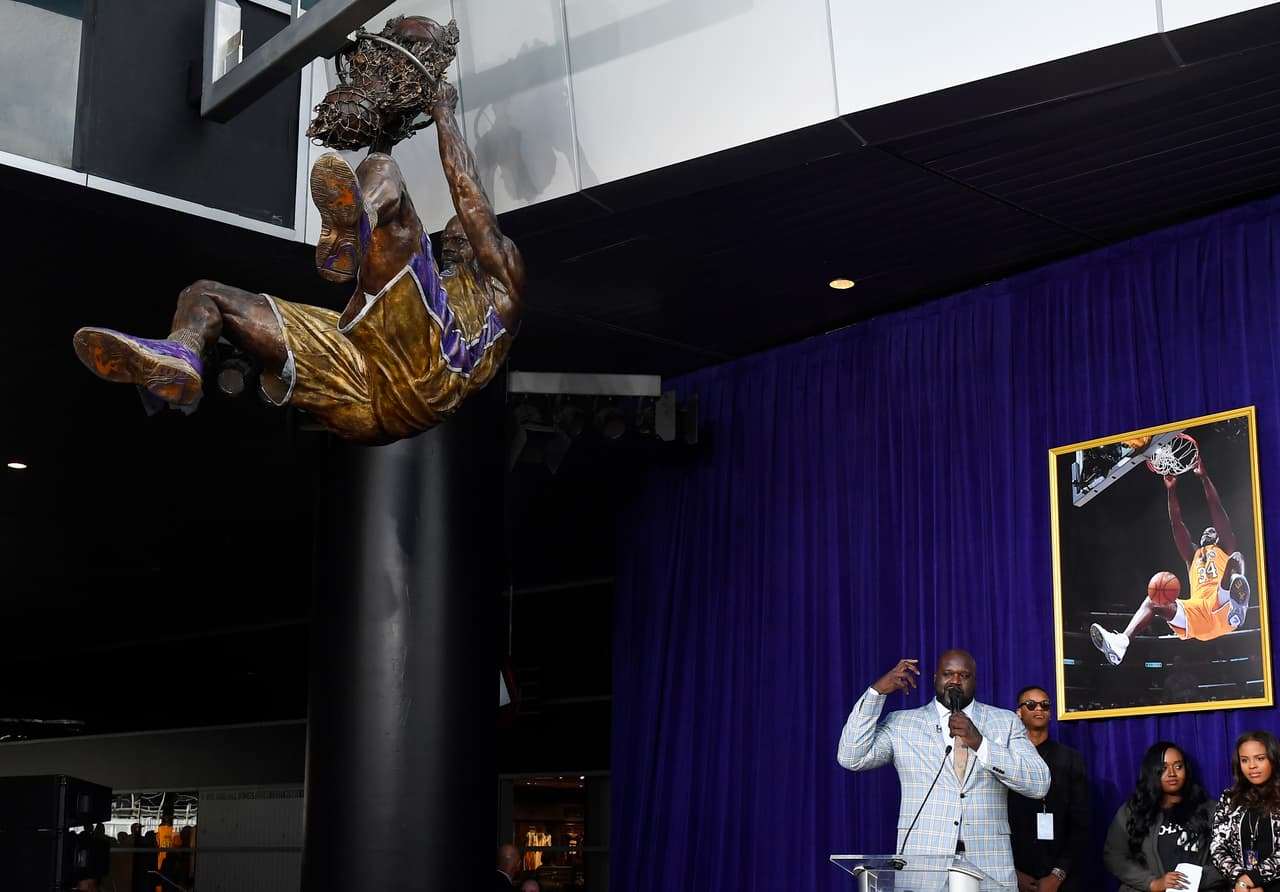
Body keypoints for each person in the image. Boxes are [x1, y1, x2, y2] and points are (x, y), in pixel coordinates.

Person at [72, 15, 523, 447]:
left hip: (422, 372)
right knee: (204, 295)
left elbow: (468, 193)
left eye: (461, 239)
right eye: (453, 241)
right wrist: (387, 130)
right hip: (364, 395)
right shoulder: (435, 293)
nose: (456, 242)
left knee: (386, 179)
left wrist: (444, 113)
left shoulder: (501, 281)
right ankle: (181, 356)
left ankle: (359, 222)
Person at [836, 650, 1050, 889]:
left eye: (964, 675)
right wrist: (876, 693)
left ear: (975, 681)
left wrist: (981, 743)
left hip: (989, 868)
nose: (955, 681)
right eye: (948, 674)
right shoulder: (902, 724)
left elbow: (1039, 783)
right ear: (935, 678)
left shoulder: (1005, 722)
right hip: (923, 871)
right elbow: (851, 756)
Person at [1091, 457, 1252, 665]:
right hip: (1198, 613)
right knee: (1154, 601)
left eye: (1212, 530)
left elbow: (1217, 509)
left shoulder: (1224, 547)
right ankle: (1121, 642)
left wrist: (1204, 478)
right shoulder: (1192, 556)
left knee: (1237, 558)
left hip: (1222, 604)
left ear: (1218, 536)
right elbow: (1176, 522)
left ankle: (1239, 607)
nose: (1208, 530)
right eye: (1206, 530)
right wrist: (1171, 490)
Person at [1104, 741, 1224, 892]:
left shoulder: (1210, 809)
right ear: (1152, 772)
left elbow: (1229, 859)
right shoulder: (1133, 811)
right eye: (1163, 768)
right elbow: (1114, 856)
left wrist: (1197, 879)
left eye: (1178, 766)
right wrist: (1152, 883)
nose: (1172, 773)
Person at [1007, 685, 1090, 892]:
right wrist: (1012, 873)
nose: (1039, 709)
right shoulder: (1007, 758)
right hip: (1014, 874)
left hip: (1061, 876)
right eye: (1031, 704)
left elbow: (1080, 823)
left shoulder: (1070, 759)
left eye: (1045, 705)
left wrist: (1058, 874)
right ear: (1019, 712)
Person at [1211, 730, 1280, 891]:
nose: (1252, 766)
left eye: (1260, 758)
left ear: (1274, 759)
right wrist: (1241, 880)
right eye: (1244, 760)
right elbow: (1217, 846)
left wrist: (1253, 878)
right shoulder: (1230, 798)